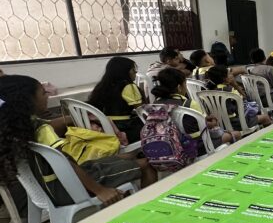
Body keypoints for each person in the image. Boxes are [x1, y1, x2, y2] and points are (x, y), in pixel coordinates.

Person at [0, 75, 156, 207]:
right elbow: (68, 163)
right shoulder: (41, 130)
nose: (47, 96)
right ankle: (149, 210)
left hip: (49, 187)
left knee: (127, 157)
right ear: (27, 100)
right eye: (42, 93)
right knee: (146, 164)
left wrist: (71, 118)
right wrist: (100, 191)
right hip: (69, 187)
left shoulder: (16, 128)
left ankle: (124, 193)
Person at [150, 67, 239, 151]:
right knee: (236, 134)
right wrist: (212, 123)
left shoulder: (155, 104)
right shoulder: (189, 104)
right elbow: (203, 126)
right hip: (198, 146)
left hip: (171, 147)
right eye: (185, 84)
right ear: (179, 87)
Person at [87, 56, 145, 143]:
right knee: (154, 124)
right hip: (122, 127)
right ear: (125, 72)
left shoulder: (102, 86)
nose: (136, 72)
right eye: (133, 69)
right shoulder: (128, 86)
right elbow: (141, 110)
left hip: (104, 125)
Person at [205, 65, 271, 130]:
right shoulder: (230, 90)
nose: (232, 75)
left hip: (220, 125)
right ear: (225, 78)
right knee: (265, 117)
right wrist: (235, 85)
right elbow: (245, 102)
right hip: (237, 123)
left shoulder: (208, 92)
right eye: (229, 74)